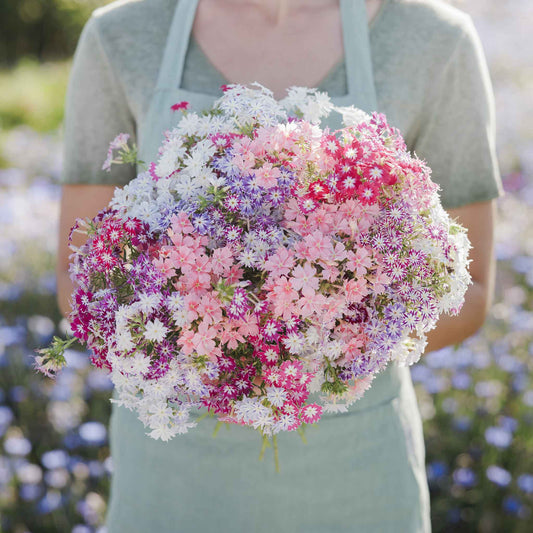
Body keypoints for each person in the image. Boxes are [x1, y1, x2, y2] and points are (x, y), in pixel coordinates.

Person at [56, 0, 503, 531]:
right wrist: (208, 336)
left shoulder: (434, 39)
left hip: (354, 473)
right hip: (170, 474)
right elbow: (79, 279)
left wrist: (314, 338)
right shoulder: (123, 34)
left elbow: (468, 291)